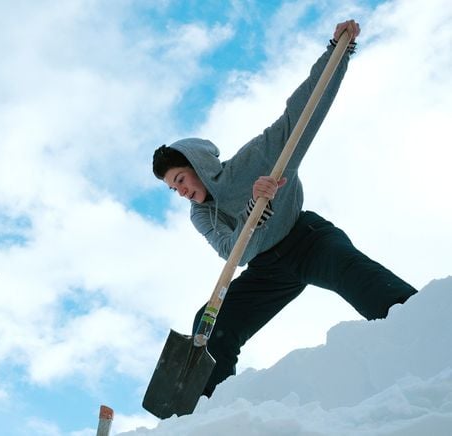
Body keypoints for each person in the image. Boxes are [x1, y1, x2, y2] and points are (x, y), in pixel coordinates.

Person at [151, 20, 416, 398]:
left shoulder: (255, 158)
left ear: (197, 164)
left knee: (363, 280)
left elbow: (303, 110)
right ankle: (210, 409)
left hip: (307, 239)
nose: (179, 192)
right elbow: (234, 253)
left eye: (179, 180)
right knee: (209, 326)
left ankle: (425, 326)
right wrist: (251, 211)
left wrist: (336, 52)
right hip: (267, 270)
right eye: (172, 188)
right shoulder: (201, 216)